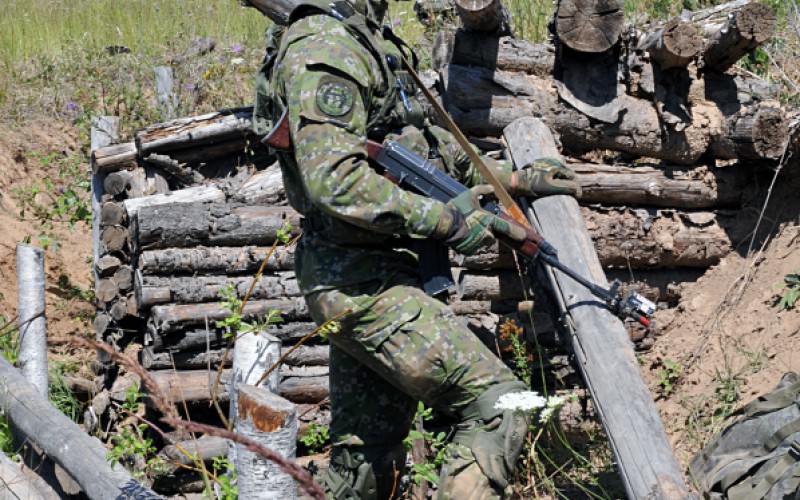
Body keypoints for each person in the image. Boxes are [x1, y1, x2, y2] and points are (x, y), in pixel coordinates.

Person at [252, 1, 582, 498]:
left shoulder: (363, 33)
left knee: (364, 459)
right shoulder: (328, 45)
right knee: (500, 405)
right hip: (363, 283)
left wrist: (510, 178)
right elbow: (335, 181)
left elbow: (414, 155)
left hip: (365, 276)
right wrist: (445, 221)